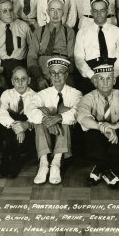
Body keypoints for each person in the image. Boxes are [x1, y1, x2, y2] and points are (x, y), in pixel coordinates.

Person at [76, 64, 119, 189]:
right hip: (97, 139)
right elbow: (82, 117)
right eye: (101, 78)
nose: (105, 82)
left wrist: (115, 126)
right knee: (90, 131)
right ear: (95, 81)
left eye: (109, 78)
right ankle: (111, 170)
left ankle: (100, 168)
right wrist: (103, 128)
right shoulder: (88, 97)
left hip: (115, 140)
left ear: (114, 80)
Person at [24, 57, 83, 185]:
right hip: (46, 133)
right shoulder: (42, 93)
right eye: (53, 73)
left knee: (64, 109)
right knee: (41, 111)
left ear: (66, 74)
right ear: (49, 75)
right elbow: (29, 109)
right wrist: (47, 119)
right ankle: (44, 163)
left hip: (67, 135)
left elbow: (78, 111)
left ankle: (56, 162)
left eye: (60, 72)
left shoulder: (76, 93)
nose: (56, 76)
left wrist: (59, 118)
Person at [74, 0, 119, 92]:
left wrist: (114, 76)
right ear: (91, 12)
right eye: (95, 11)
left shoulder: (117, 31)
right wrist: (91, 76)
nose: (99, 14)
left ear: (107, 11)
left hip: (112, 70)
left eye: (102, 10)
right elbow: (79, 58)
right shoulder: (82, 32)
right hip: (91, 70)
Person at [0, 66, 38, 179]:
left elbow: (35, 116)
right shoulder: (6, 94)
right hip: (11, 131)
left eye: (23, 79)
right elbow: (0, 112)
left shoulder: (35, 96)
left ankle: (15, 161)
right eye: (16, 79)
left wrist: (24, 126)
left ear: (29, 81)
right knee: (5, 119)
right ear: (12, 81)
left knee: (23, 117)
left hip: (27, 133)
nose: (20, 82)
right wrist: (16, 126)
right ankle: (6, 160)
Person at [27, 0, 76, 90]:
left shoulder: (69, 32)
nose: (55, 14)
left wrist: (60, 77)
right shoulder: (39, 31)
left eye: (59, 10)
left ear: (63, 12)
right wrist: (39, 77)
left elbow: (72, 59)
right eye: (52, 10)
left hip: (62, 74)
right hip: (41, 73)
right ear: (47, 11)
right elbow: (31, 57)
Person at [0, 0, 32, 88]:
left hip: (20, 65)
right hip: (2, 68)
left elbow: (32, 48)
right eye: (4, 11)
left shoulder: (23, 26)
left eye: (10, 10)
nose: (9, 13)